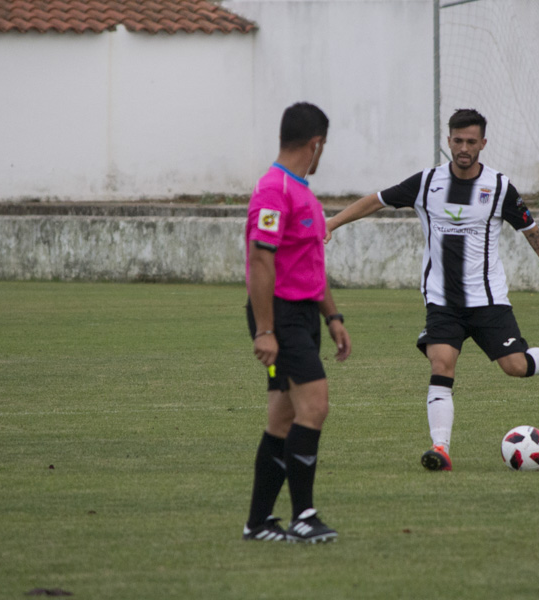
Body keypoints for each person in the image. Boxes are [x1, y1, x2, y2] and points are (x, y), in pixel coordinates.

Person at [324, 108, 539, 472]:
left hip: (488, 300)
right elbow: (377, 199)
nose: (464, 148)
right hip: (442, 302)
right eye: (458, 140)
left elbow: (533, 234)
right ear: (448, 141)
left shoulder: (499, 187)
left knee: (515, 366)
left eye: (471, 142)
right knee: (442, 363)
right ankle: (440, 448)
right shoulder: (427, 183)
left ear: (483, 144)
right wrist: (332, 222)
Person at [242, 102, 351, 543]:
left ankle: (259, 522)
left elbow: (308, 262)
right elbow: (261, 259)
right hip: (281, 317)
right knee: (315, 406)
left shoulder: (300, 190)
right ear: (316, 143)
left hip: (304, 314)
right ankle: (303, 515)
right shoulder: (274, 190)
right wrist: (266, 330)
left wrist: (333, 317)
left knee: (283, 420)